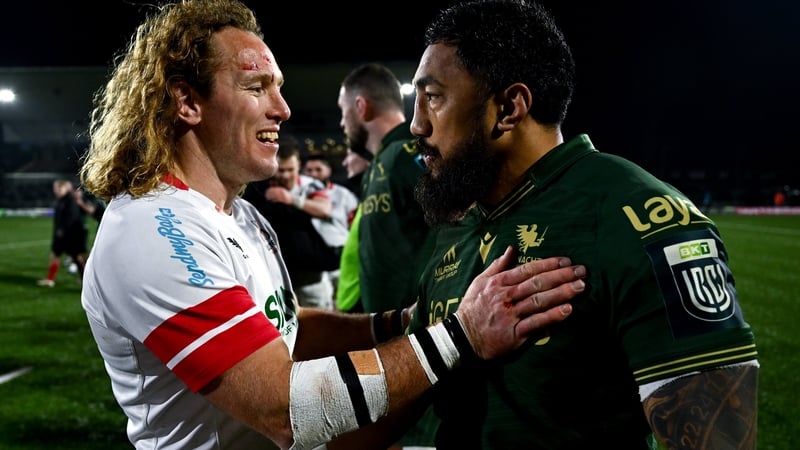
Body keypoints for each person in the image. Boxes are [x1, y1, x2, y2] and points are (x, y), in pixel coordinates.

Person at [77, 1, 586, 449]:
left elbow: (286, 329)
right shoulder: (151, 229)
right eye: (257, 87)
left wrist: (399, 322)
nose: (283, 108)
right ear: (187, 102)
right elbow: (282, 408)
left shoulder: (240, 215)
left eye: (279, 88)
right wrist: (460, 333)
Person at [399, 0, 759, 448]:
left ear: (510, 108)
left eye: (433, 97)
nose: (415, 124)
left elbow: (718, 439)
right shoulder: (458, 226)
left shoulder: (639, 216)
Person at [336, 62, 439, 448]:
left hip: (416, 346)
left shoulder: (407, 156)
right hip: (391, 343)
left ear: (361, 108)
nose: (343, 123)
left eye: (343, 110)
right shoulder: (382, 163)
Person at [243, 137, 338, 310]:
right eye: (281, 170)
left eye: (290, 170)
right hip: (278, 277)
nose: (285, 175)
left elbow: (324, 209)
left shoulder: (310, 186)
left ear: (299, 166)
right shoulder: (261, 188)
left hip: (312, 275)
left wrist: (291, 199)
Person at [303, 151, 359, 302]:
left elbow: (354, 226)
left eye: (318, 169)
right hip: (314, 260)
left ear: (329, 170)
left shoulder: (343, 194)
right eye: (309, 170)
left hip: (340, 255)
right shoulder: (298, 194)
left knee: (344, 303)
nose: (313, 174)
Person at [335, 146, 371, 313]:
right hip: (350, 298)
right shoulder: (367, 198)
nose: (344, 162)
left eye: (349, 155)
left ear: (366, 159)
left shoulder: (376, 202)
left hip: (362, 300)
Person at [37, 179, 88, 287]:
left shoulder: (70, 200)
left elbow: (72, 218)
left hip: (69, 236)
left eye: (60, 188)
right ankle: (50, 279)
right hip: (62, 235)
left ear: (66, 188)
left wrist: (62, 230)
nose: (57, 191)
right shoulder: (61, 200)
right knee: (56, 255)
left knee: (77, 258)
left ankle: (86, 281)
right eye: (56, 189)